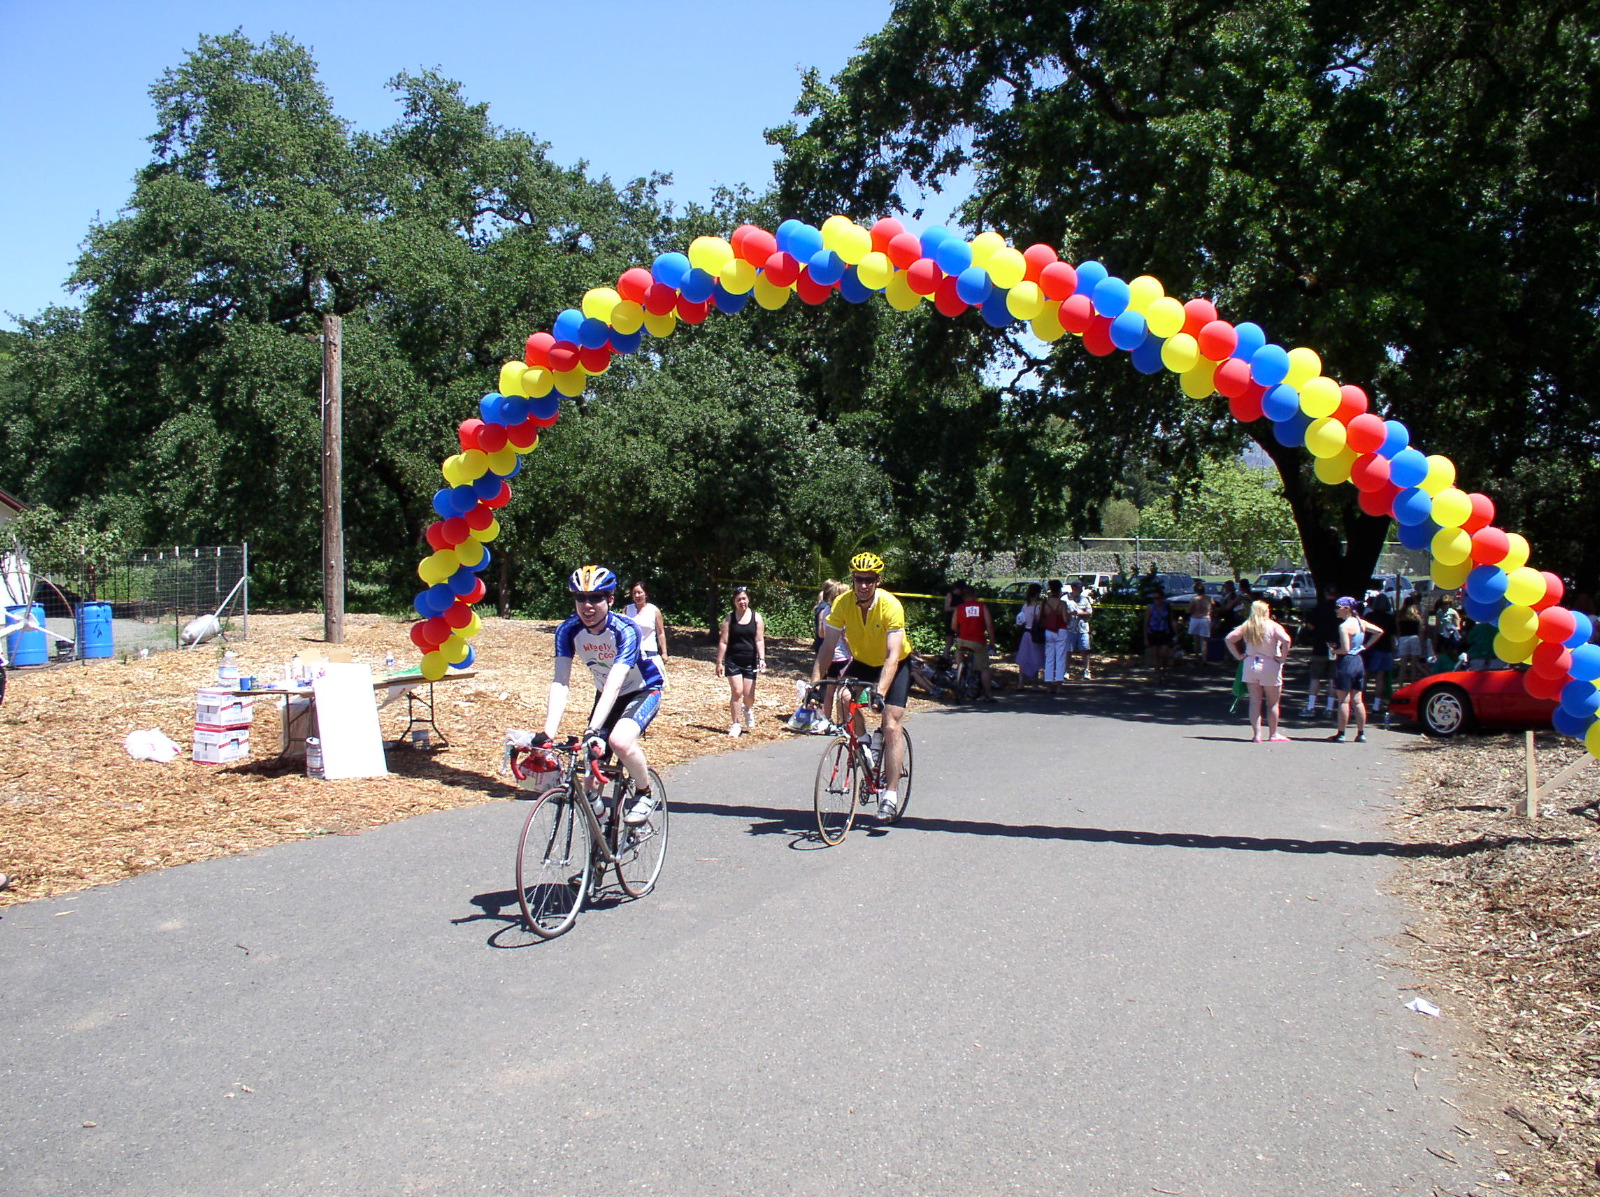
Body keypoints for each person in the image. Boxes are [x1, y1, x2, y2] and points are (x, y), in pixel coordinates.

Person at [534, 565, 664, 825]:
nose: (587, 605)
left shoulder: (626, 630)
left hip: (642, 689)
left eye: (596, 597)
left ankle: (644, 792)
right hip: (605, 695)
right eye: (580, 598)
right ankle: (603, 837)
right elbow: (560, 682)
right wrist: (547, 733)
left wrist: (592, 730)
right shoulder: (567, 630)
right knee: (589, 785)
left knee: (620, 741)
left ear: (611, 600)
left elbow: (616, 684)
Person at [811, 551, 913, 822]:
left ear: (878, 580)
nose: (863, 585)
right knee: (845, 697)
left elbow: (893, 655)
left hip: (896, 664)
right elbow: (827, 649)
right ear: (852, 580)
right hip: (864, 661)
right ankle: (865, 745)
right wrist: (815, 687)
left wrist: (879, 691)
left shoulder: (891, 605)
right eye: (859, 579)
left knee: (891, 724)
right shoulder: (842, 604)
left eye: (869, 579)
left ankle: (890, 794)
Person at [1225, 600, 1293, 742]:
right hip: (1269, 663)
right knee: (1272, 702)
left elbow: (1229, 639)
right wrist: (1282, 657)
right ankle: (1273, 733)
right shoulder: (1273, 626)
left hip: (1250, 664)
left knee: (1255, 702)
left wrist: (1238, 656)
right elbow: (1286, 640)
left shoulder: (1248, 625)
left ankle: (1257, 734)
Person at [1329, 596, 1382, 743]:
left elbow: (1345, 649)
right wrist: (1365, 647)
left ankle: (1341, 733)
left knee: (1344, 701)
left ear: (1346, 609)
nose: (1336, 610)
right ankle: (1361, 733)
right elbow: (1379, 631)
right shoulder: (1360, 622)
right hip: (1358, 661)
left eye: (1338, 607)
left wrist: (1334, 651)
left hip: (1346, 662)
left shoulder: (1344, 626)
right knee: (1358, 700)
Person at [715, 585, 766, 736]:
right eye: (739, 599)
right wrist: (719, 662)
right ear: (734, 602)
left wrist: (762, 659)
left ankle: (748, 709)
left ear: (748, 599)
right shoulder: (729, 619)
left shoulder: (756, 617)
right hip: (733, 660)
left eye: (744, 598)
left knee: (749, 696)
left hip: (750, 660)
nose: (742, 602)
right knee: (737, 692)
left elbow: (759, 640)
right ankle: (736, 724)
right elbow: (723, 642)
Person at [950, 583, 998, 701]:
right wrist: (992, 642)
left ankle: (959, 671)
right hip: (977, 641)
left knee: (959, 653)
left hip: (962, 640)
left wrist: (961, 631)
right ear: (975, 595)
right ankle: (988, 695)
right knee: (984, 668)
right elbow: (989, 625)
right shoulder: (982, 607)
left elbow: (953, 626)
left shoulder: (959, 608)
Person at [1302, 584, 1340, 717]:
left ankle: (1311, 706)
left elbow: (1310, 626)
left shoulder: (1318, 608)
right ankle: (1329, 708)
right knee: (1332, 679)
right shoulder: (1340, 609)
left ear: (1325, 593)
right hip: (1336, 647)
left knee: (1315, 678)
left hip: (1319, 645)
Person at [1364, 593, 1397, 712]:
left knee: (1365, 675)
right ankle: (1376, 705)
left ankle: (1359, 701)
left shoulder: (1368, 616)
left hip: (1370, 648)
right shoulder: (1390, 618)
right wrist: (1394, 650)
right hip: (1385, 648)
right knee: (1380, 677)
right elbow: (1393, 636)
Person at [624, 581, 669, 664]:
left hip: (649, 651)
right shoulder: (627, 609)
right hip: (632, 651)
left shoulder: (654, 610)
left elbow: (660, 633)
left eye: (639, 593)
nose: (637, 596)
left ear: (646, 594)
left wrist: (664, 653)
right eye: (634, 593)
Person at [1040, 579, 1070, 694]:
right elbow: (1065, 619)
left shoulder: (1045, 603)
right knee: (1060, 657)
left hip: (1049, 630)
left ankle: (1048, 684)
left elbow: (1040, 618)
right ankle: (1059, 684)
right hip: (1061, 630)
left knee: (1049, 657)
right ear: (1059, 590)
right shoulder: (1062, 604)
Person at [1013, 582, 1045, 688]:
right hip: (1034, 634)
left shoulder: (1025, 606)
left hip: (1026, 634)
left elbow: (1021, 620)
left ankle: (1020, 682)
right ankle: (1034, 683)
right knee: (1035, 658)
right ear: (1037, 593)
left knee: (1024, 658)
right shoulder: (1038, 607)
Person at [1066, 579, 1095, 680]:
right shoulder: (1065, 599)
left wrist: (1080, 613)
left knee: (1085, 649)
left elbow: (1089, 612)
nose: (1081, 589)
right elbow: (1061, 613)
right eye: (1079, 588)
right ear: (1073, 588)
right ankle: (1066, 671)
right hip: (1070, 629)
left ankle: (1086, 671)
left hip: (1082, 629)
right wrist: (1070, 613)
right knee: (1068, 651)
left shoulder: (1085, 599)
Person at [1395, 596, 1426, 686]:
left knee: (1403, 665)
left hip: (1403, 638)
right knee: (1414, 664)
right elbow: (1421, 630)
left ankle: (1400, 685)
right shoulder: (1416, 616)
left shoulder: (1400, 616)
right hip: (1414, 638)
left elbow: (1398, 630)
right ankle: (1413, 685)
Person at [1144, 591, 1174, 682]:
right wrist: (1145, 637)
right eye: (1154, 598)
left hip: (1164, 632)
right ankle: (1158, 675)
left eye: (1157, 598)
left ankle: (1164, 670)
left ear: (1161, 598)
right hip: (1153, 632)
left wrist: (1176, 634)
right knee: (1156, 654)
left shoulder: (1167, 608)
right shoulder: (1151, 608)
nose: (1156, 600)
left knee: (1164, 654)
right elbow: (1146, 623)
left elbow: (1172, 620)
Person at [1187, 581, 1214, 666]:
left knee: (1196, 640)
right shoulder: (1209, 598)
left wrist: (1186, 612)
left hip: (1196, 618)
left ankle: (1196, 658)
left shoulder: (1194, 599)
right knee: (1204, 641)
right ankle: (1204, 659)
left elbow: (1190, 610)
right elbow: (1213, 606)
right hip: (1205, 618)